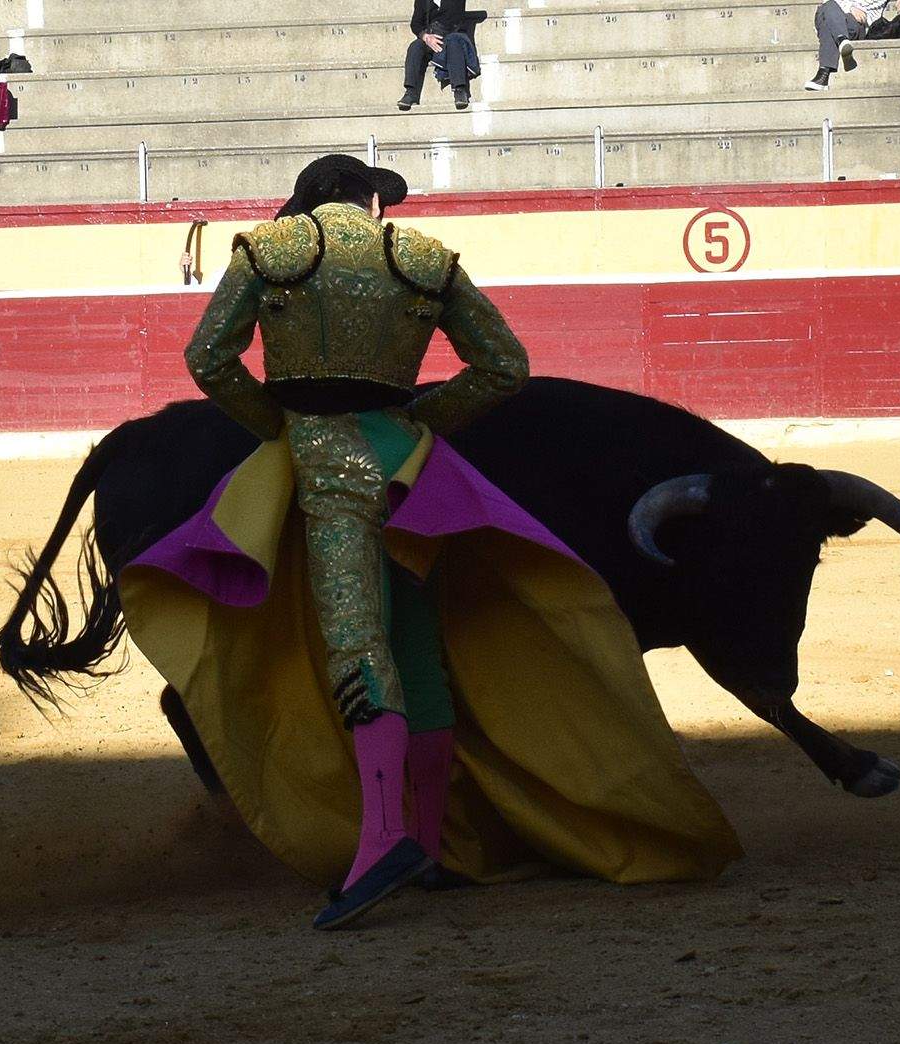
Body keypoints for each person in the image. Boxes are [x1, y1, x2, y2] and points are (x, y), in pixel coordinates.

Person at [118, 155, 743, 931]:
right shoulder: (422, 260)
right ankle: (433, 841)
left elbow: (208, 358)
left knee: (357, 644)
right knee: (416, 646)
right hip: (410, 467)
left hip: (327, 465)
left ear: (310, 199)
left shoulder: (269, 251)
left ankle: (383, 842)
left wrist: (278, 426)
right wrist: (422, 423)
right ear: (369, 199)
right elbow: (505, 366)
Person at [806, 0, 900, 91]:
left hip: (856, 24)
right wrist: (851, 8)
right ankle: (842, 41)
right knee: (828, 5)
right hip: (833, 12)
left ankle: (823, 74)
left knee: (827, 17)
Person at [399, 0, 479, 111]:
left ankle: (460, 89)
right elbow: (415, 24)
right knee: (415, 46)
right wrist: (426, 37)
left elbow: (457, 18)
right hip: (430, 37)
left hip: (451, 34)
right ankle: (411, 92)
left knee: (454, 43)